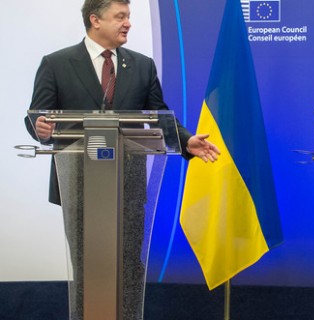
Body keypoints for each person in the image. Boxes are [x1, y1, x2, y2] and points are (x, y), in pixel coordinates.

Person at [24, 0, 220, 318]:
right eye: (120, 16)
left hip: (127, 184)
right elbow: (37, 116)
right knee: (89, 266)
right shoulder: (56, 63)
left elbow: (158, 114)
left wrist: (186, 140)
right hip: (79, 185)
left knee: (129, 265)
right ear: (95, 20)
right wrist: (40, 127)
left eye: (129, 16)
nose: (128, 22)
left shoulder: (141, 66)